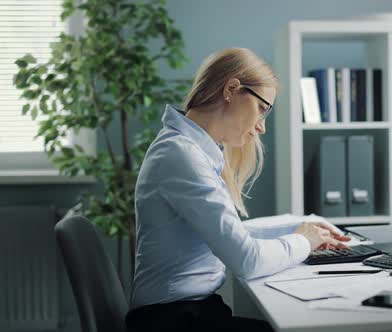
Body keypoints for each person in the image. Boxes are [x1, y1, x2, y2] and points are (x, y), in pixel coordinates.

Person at [125, 48, 350, 332]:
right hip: (171, 321)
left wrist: (302, 227)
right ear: (231, 89)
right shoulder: (180, 155)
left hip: (187, 314)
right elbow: (247, 259)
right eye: (262, 109)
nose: (261, 127)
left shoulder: (190, 149)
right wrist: (303, 241)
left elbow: (235, 234)